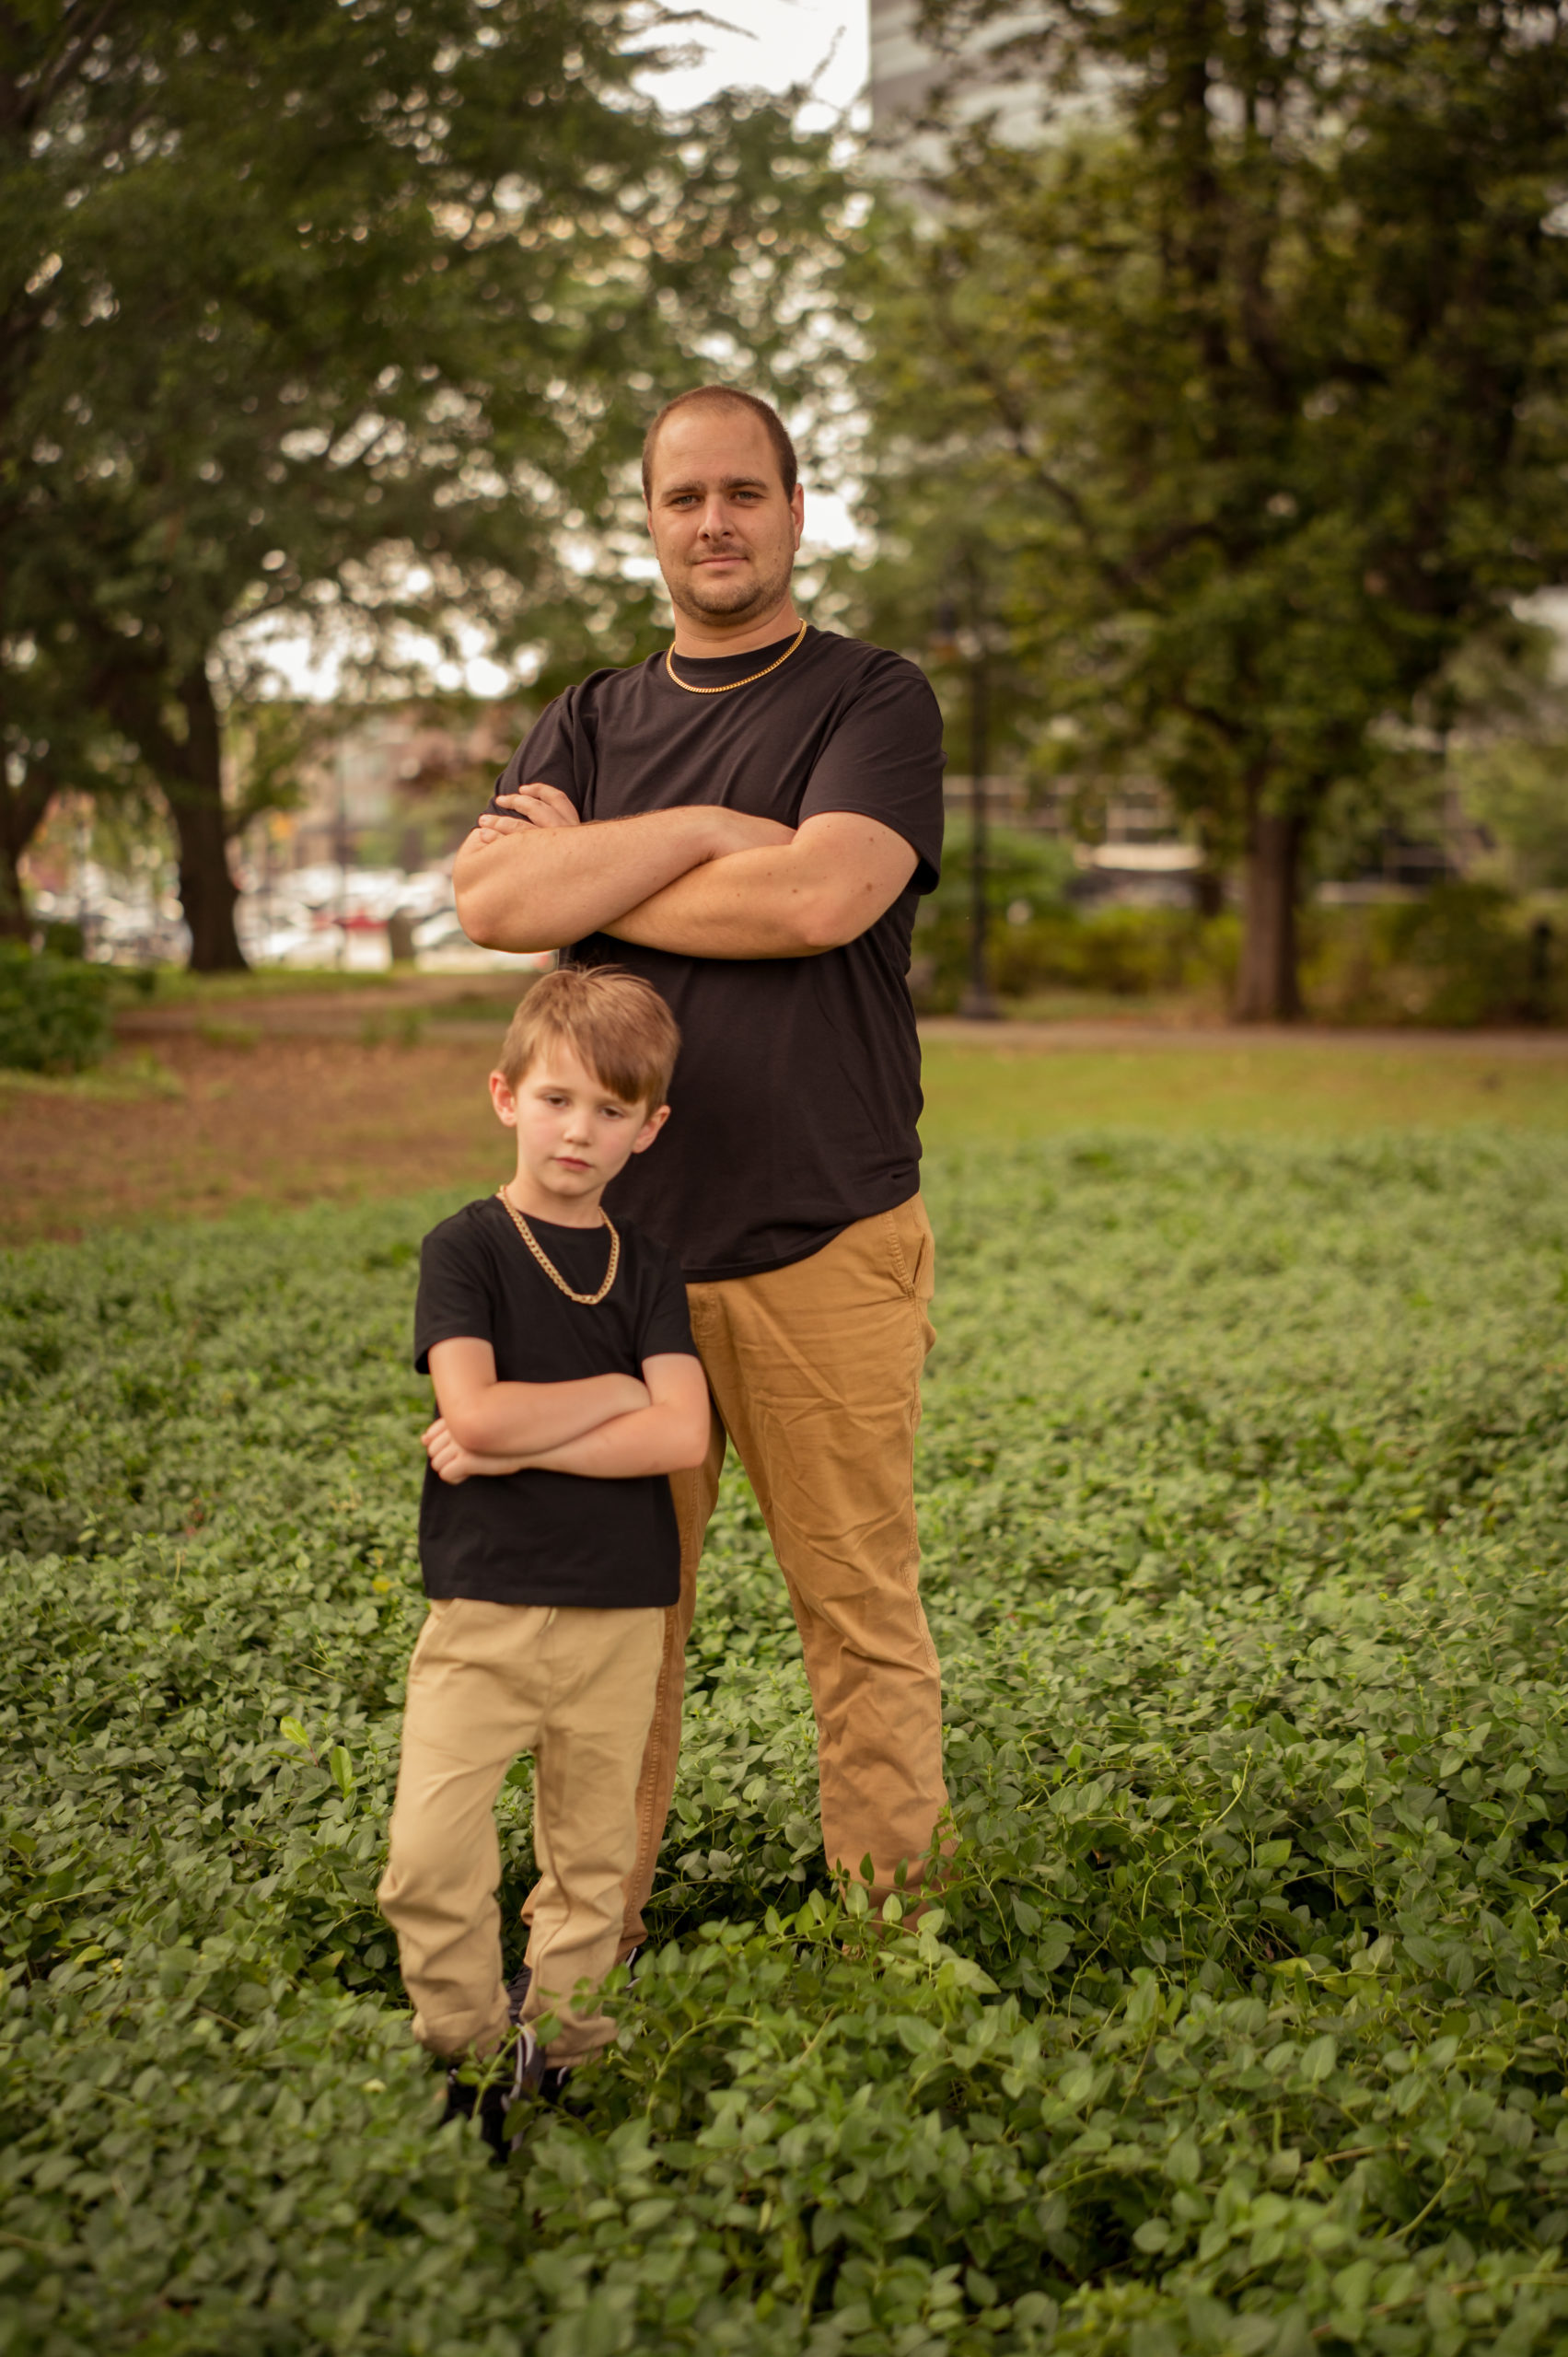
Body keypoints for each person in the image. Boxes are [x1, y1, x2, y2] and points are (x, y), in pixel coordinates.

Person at [454, 383, 949, 1956]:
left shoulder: (874, 697)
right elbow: (490, 906)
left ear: (796, 511)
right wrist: (713, 828)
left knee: (859, 1614)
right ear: (650, 520)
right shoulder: (589, 719)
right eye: (685, 497)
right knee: (607, 1632)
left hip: (824, 1235)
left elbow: (817, 903)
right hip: (607, 1264)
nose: (715, 522)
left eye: (745, 493)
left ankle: (894, 1942)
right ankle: (578, 1957)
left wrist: (589, 871)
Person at [377, 965, 709, 2154]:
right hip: (485, 1614)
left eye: (611, 1111)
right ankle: (467, 2050)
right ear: (506, 1096)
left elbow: (682, 1435)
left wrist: (516, 1440)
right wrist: (614, 1391)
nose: (580, 1131)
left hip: (620, 1613)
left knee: (592, 1866)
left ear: (647, 1129)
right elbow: (470, 1410)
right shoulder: (466, 1250)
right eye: (558, 1099)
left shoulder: (649, 1267)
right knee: (428, 1857)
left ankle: (558, 2056)